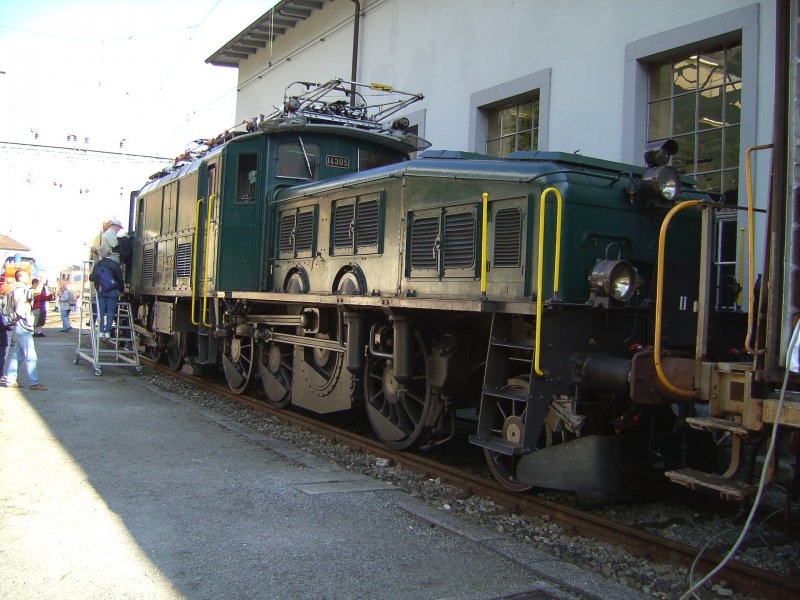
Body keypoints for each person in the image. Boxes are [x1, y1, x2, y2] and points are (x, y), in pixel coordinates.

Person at [1, 269, 47, 390]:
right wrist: (42, 280)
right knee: (31, 355)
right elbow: (37, 292)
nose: (28, 278)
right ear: (21, 278)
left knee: (17, 355)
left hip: (17, 324)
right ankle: (34, 383)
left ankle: (11, 380)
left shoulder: (13, 291)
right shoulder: (22, 291)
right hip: (23, 325)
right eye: (26, 276)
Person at [89, 257, 123, 339]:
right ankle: (107, 332)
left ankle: (101, 332)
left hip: (102, 291)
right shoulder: (115, 264)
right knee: (111, 312)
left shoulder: (99, 264)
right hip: (113, 292)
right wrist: (121, 291)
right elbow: (120, 279)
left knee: (100, 312)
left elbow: (91, 278)